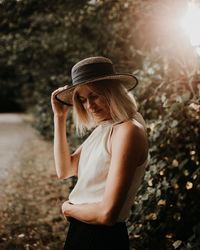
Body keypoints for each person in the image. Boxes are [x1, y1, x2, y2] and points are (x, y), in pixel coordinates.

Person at [51, 56, 149, 250]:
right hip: (82, 231)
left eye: (94, 95)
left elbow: (107, 215)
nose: (89, 106)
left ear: (113, 92)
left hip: (101, 239)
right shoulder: (104, 129)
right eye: (82, 99)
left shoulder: (128, 130)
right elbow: (65, 170)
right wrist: (59, 117)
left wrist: (68, 208)